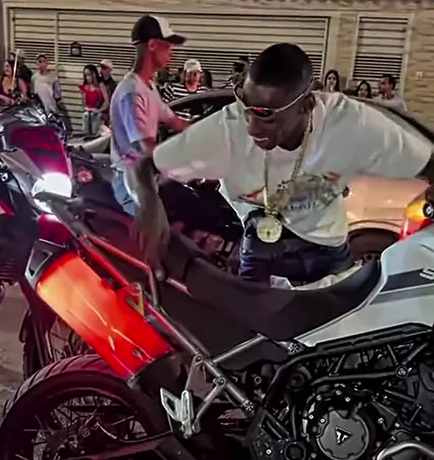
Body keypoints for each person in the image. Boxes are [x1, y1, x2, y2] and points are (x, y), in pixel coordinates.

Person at [132, 42, 434, 286]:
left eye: (266, 115)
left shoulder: (350, 123)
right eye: (246, 106)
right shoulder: (227, 129)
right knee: (252, 338)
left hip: (329, 250)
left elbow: (428, 162)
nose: (251, 127)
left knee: (337, 338)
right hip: (260, 251)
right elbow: (146, 165)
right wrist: (150, 206)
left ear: (306, 105)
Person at [110, 14, 189, 216]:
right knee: (163, 233)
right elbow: (146, 147)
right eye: (168, 47)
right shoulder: (132, 92)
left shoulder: (148, 86)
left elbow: (174, 121)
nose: (171, 54)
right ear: (153, 45)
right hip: (132, 182)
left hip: (145, 178)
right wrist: (187, 163)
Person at [79, 64, 109, 136]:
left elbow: (106, 102)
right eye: (86, 75)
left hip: (97, 114)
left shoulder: (100, 85)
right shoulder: (85, 87)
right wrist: (83, 94)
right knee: (86, 134)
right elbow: (84, 104)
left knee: (96, 135)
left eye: (89, 75)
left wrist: (99, 110)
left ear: (94, 74)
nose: (87, 77)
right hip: (87, 114)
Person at [99, 59, 117, 123]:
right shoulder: (97, 81)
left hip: (106, 114)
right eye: (101, 67)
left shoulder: (112, 85)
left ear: (109, 70)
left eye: (104, 67)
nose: (101, 69)